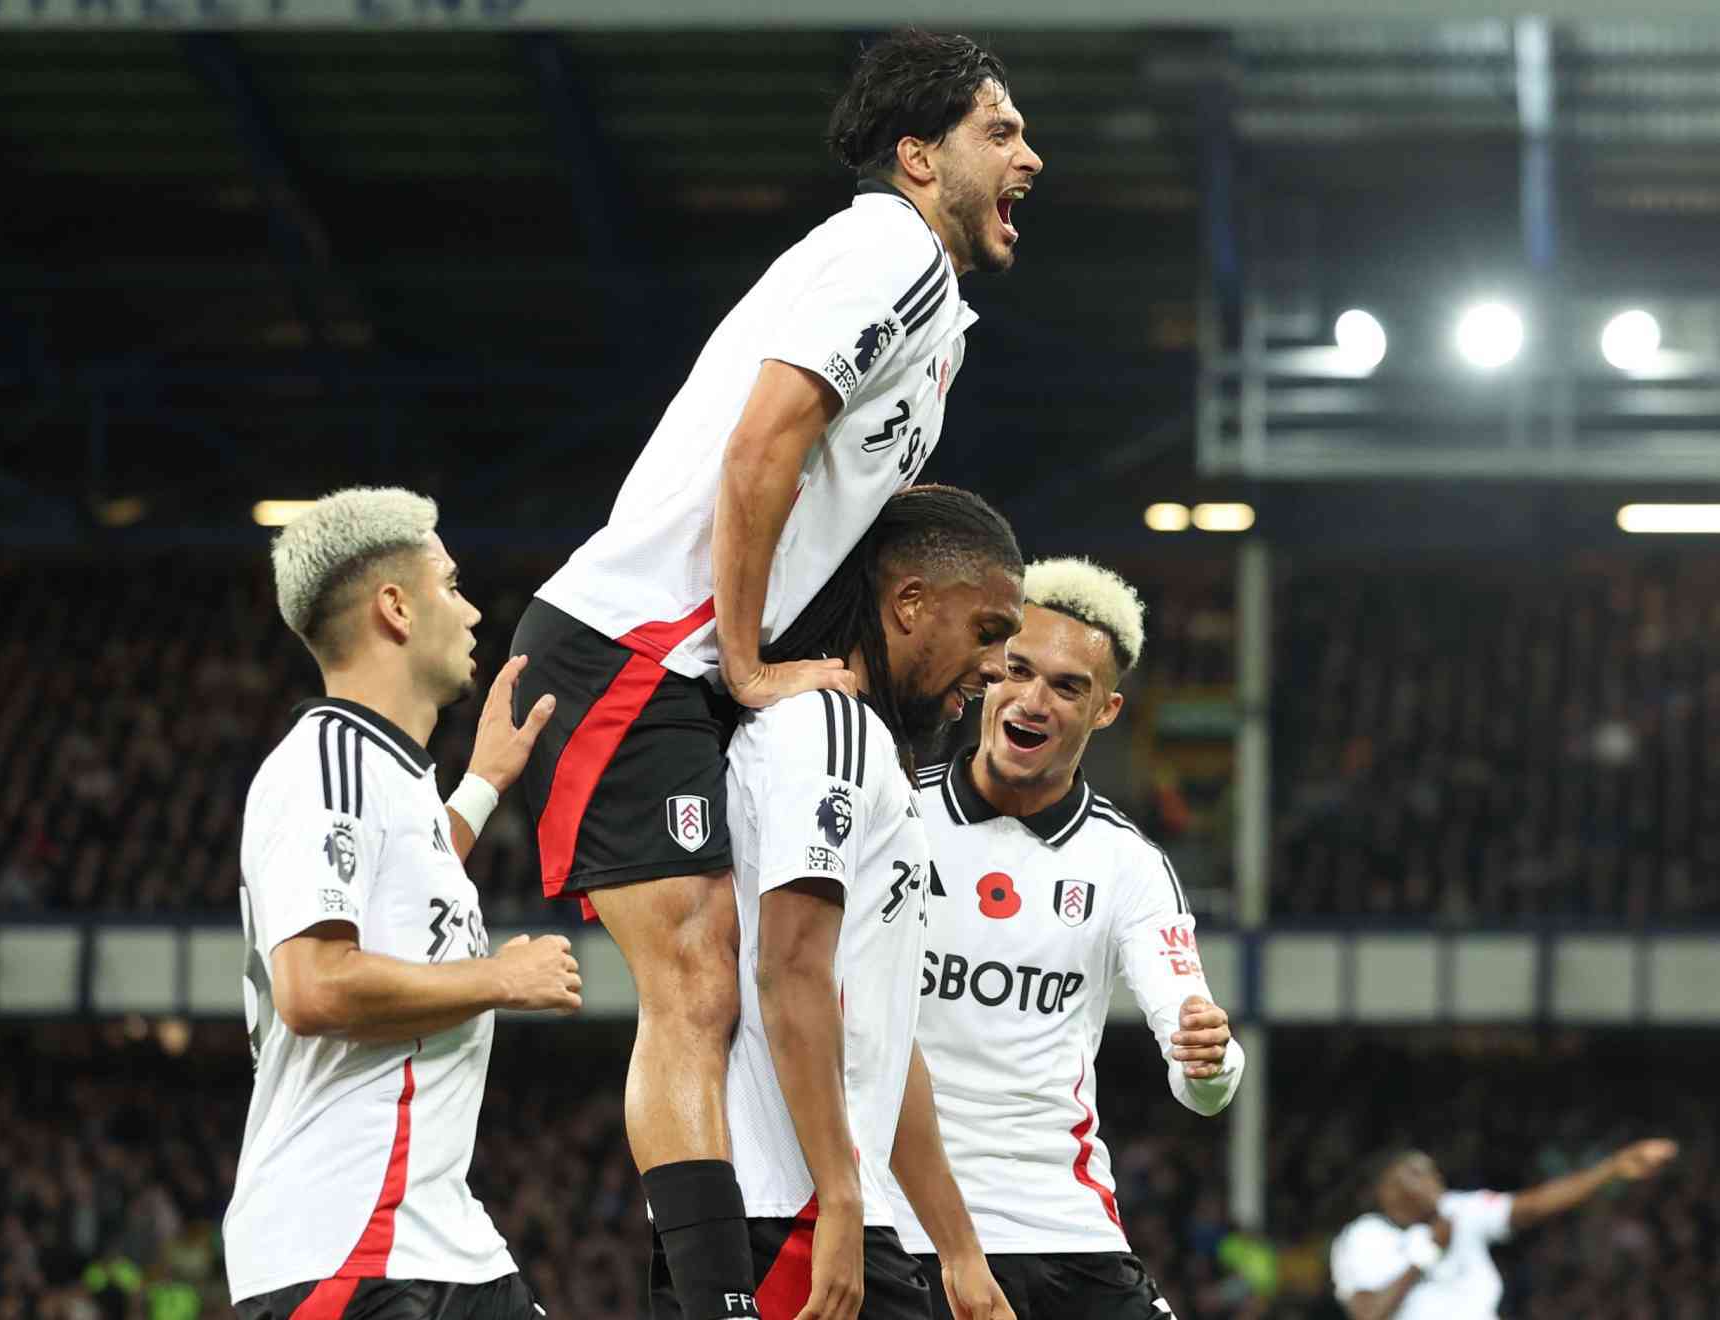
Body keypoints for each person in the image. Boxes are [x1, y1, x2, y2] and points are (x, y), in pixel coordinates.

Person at [509, 29, 1042, 1320]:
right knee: (698, 977)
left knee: (728, 972)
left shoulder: (931, 309)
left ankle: (718, 1288)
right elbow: (761, 452)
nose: (1029, 154)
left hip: (667, 658)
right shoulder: (889, 252)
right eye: (1000, 130)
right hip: (637, 644)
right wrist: (748, 667)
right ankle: (715, 1302)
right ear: (919, 157)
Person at [649, 485, 1024, 1320]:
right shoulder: (825, 729)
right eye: (988, 631)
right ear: (910, 603)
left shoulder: (870, 756)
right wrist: (842, 1200)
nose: (998, 667)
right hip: (784, 1206)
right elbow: (788, 972)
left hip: (817, 1201)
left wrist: (960, 1252)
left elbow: (882, 1043)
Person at [224, 486, 582, 1320]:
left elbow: (405, 887)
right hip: (346, 1239)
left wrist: (484, 787)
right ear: (395, 607)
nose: (471, 611)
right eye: (451, 585)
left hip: (436, 1233)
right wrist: (500, 978)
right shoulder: (326, 761)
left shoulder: (384, 776)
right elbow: (313, 986)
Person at [886, 557, 1245, 1320]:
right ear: (988, 672)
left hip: (1062, 1225)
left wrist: (1212, 1061)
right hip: (901, 1227)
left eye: (1067, 686)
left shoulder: (1128, 864)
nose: (1033, 700)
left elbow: (1202, 1078)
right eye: (1018, 670)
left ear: (1105, 710)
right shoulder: (889, 816)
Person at [1328, 1139, 1680, 1320]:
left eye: (1434, 1172)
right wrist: (1426, 1253)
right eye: (1420, 1174)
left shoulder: (1460, 1209)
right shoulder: (1363, 1238)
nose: (1435, 1181)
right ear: (1389, 1189)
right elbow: (1367, 1312)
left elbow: (1533, 1205)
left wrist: (1611, 1168)